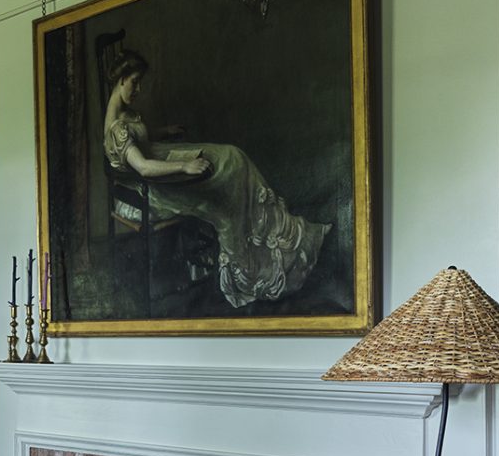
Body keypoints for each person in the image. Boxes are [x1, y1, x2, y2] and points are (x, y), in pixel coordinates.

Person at [103, 49, 330, 308]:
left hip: (161, 158)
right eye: (134, 81)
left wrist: (163, 131)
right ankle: (249, 267)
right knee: (223, 191)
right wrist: (185, 167)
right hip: (151, 187)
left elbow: (140, 138)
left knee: (232, 156)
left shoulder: (124, 115)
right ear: (121, 79)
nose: (139, 88)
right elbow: (142, 167)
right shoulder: (116, 130)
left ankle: (276, 230)